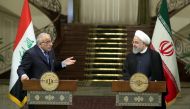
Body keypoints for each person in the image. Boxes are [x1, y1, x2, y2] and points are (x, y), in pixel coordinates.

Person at [17, 33, 76, 109]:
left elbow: (52, 66)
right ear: (40, 44)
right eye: (47, 42)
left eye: (51, 41)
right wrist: (23, 75)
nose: (51, 44)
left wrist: (63, 63)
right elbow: (21, 68)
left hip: (52, 88)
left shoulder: (50, 51)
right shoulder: (30, 53)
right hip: (36, 90)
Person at [123, 30, 166, 109]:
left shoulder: (154, 56)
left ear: (144, 44)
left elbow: (158, 75)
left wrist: (144, 83)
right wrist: (134, 83)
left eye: (136, 42)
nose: (133, 44)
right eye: (133, 42)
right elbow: (126, 73)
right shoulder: (130, 56)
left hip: (150, 93)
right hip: (132, 93)